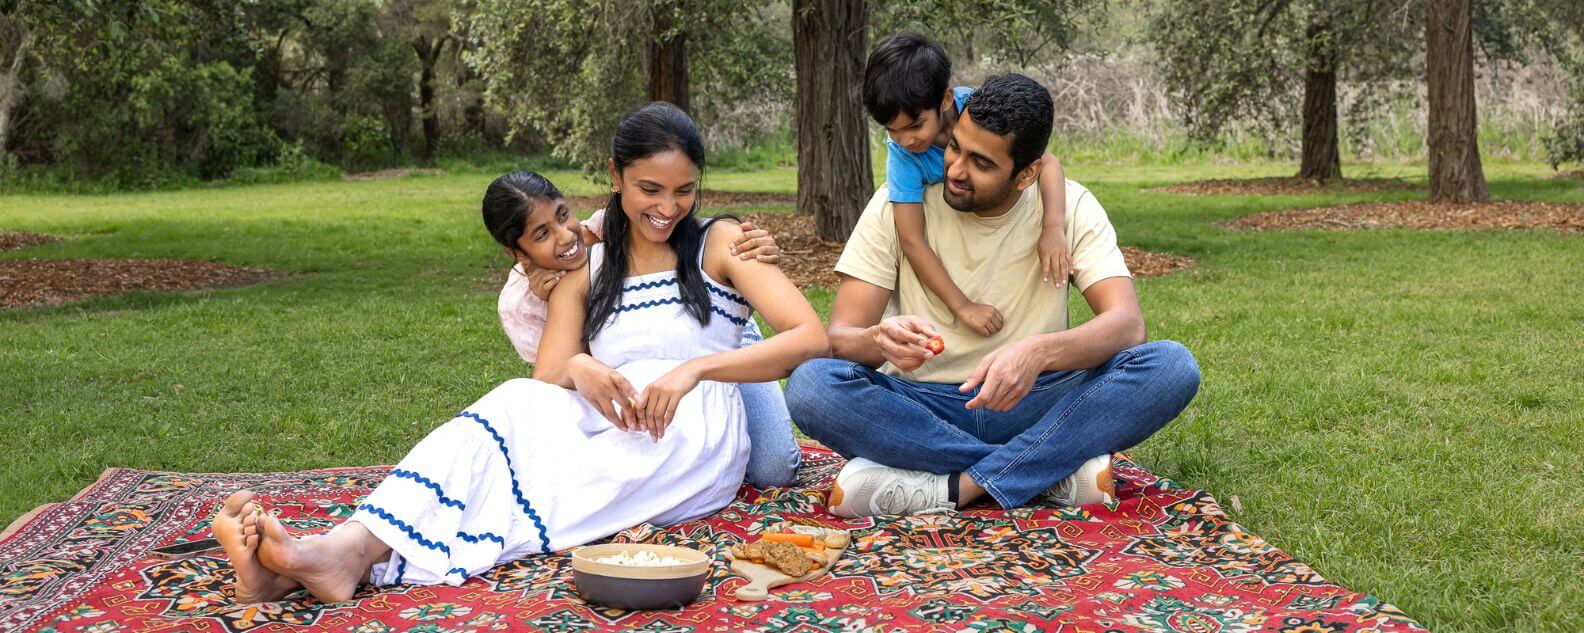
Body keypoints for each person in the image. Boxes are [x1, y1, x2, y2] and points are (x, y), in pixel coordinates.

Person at [210, 102, 828, 604]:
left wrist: (694, 369)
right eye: (649, 189)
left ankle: (340, 558)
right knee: (509, 415)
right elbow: (547, 380)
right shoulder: (587, 265)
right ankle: (323, 559)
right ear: (614, 176)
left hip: (689, 426)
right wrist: (581, 364)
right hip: (609, 416)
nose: (667, 208)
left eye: (684, 190)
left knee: (534, 481)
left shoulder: (720, 242)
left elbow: (808, 336)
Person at [785, 73, 1200, 518]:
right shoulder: (897, 204)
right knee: (812, 385)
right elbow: (840, 339)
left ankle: (951, 486)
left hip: (1037, 400)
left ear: (1026, 174)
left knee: (1171, 366)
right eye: (955, 147)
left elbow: (1127, 325)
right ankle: (1047, 469)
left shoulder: (1071, 207)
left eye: (982, 164)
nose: (956, 170)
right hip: (923, 407)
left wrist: (1038, 353)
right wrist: (878, 340)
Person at [491, 173, 802, 487]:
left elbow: (680, 229)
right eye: (542, 234)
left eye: (562, 215)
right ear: (517, 253)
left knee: (775, 470)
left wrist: (745, 241)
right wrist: (554, 312)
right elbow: (553, 383)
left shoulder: (604, 230)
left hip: (709, 330)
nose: (564, 236)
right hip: (620, 361)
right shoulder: (521, 304)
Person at [862, 32, 1072, 338]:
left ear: (946, 100)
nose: (904, 140)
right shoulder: (903, 158)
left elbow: (1047, 162)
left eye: (914, 126)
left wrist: (1053, 227)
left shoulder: (977, 109)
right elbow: (911, 241)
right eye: (891, 130)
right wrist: (963, 306)